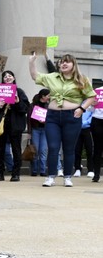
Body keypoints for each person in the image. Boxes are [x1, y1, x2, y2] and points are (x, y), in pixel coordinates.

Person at [29, 53, 97, 187]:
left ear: (73, 64)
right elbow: (35, 76)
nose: (64, 64)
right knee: (53, 147)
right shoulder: (52, 77)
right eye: (61, 62)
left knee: (69, 148)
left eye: (67, 62)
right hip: (53, 116)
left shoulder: (81, 79)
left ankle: (67, 176)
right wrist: (32, 62)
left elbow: (91, 97)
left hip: (72, 116)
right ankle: (51, 176)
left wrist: (82, 109)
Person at [0, 70, 29, 182]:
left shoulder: (19, 91)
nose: (7, 78)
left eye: (10, 76)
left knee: (16, 149)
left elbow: (25, 108)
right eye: (5, 76)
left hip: (15, 124)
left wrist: (17, 102)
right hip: (1, 124)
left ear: (14, 78)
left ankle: (15, 173)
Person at [28, 89, 50, 177]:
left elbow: (51, 118)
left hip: (45, 130)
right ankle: (34, 170)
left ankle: (42, 170)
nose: (49, 97)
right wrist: (29, 131)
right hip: (35, 129)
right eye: (48, 95)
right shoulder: (32, 105)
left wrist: (44, 121)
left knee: (43, 150)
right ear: (43, 96)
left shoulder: (48, 106)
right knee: (35, 150)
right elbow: (29, 119)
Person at [73, 108, 94, 178]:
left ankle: (90, 169)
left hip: (88, 128)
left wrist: (86, 122)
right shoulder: (77, 102)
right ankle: (77, 168)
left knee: (89, 149)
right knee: (77, 149)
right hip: (77, 128)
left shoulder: (90, 104)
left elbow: (93, 114)